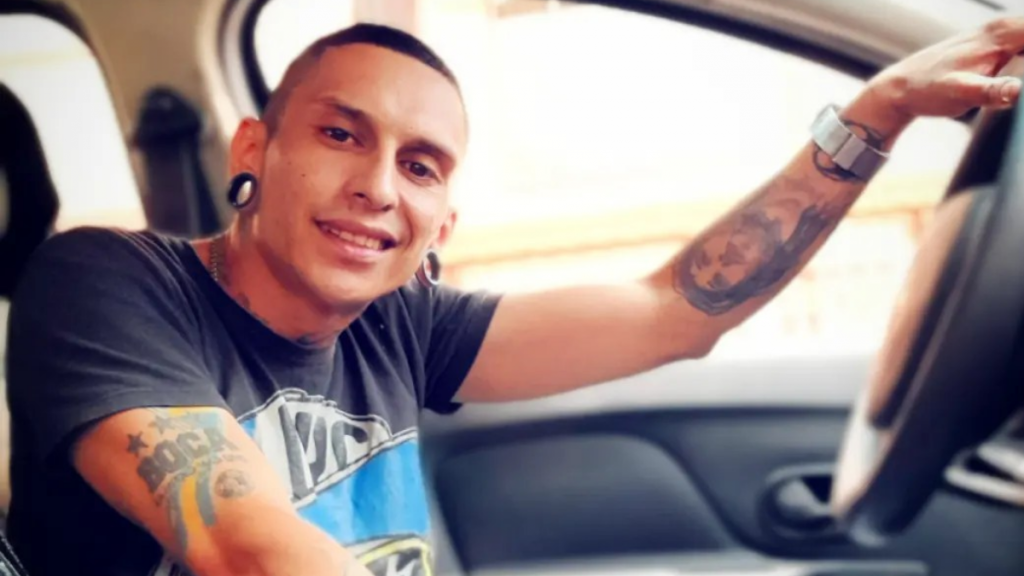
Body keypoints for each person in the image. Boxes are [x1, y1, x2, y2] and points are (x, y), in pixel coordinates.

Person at [4, 16, 1024, 576]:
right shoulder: (110, 284)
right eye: (341, 134)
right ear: (253, 150)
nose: (378, 186)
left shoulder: (398, 323)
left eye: (421, 165)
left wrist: (871, 117)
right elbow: (247, 547)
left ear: (441, 225)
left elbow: (676, 312)